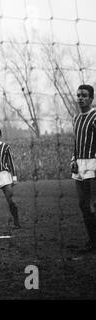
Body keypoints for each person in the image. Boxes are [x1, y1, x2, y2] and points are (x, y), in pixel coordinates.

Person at [71, 84, 96, 253]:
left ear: (91, 98)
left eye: (84, 95)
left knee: (93, 203)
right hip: (79, 164)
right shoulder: (76, 118)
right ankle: (92, 240)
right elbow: (76, 142)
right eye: (79, 95)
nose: (80, 98)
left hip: (93, 163)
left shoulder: (94, 116)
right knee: (83, 204)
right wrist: (73, 159)